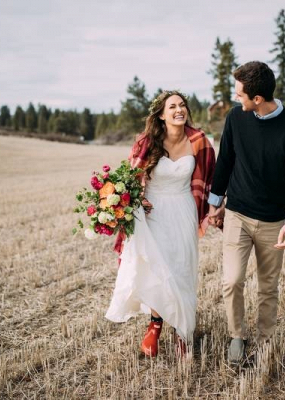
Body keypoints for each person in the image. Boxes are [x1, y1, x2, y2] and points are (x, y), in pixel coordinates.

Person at [208, 61, 285, 363]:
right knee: (232, 280)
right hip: (237, 214)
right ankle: (236, 336)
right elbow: (225, 160)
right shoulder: (235, 118)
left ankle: (266, 341)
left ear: (257, 99)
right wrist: (216, 204)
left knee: (268, 287)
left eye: (240, 93)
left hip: (273, 220)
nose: (235, 98)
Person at [105, 90, 216, 358]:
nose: (179, 110)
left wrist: (213, 208)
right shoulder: (146, 143)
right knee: (158, 269)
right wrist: (130, 202)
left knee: (182, 271)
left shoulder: (200, 141)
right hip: (152, 213)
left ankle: (183, 332)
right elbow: (129, 181)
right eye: (172, 106)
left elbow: (211, 178)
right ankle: (155, 326)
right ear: (161, 115)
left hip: (183, 210)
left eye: (182, 105)